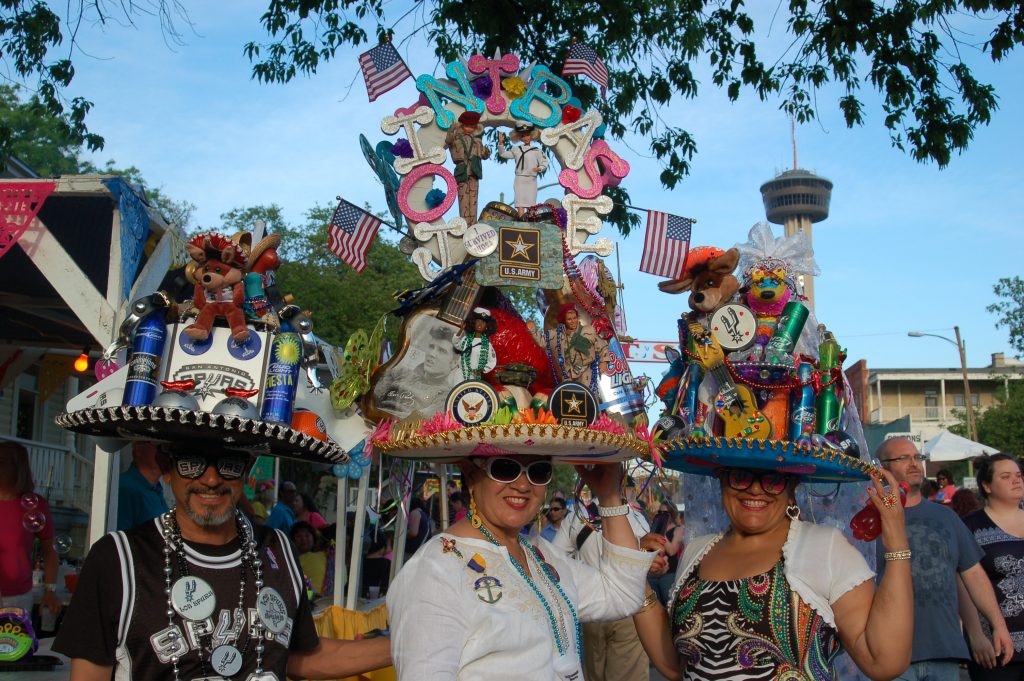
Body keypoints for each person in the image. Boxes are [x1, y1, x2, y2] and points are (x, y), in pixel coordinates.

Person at [53, 444, 390, 680]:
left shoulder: (277, 550)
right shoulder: (119, 559)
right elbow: (89, 676)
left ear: (247, 468)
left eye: (229, 463)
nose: (211, 479)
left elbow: (303, 656)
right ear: (166, 466)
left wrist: (409, 642)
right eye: (191, 462)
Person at [634, 465, 914, 681]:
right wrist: (637, 577)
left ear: (791, 485)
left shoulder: (824, 547)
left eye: (772, 478)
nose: (756, 489)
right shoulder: (696, 552)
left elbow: (884, 661)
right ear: (721, 479)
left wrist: (897, 544)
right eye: (741, 476)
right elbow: (674, 665)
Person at [387, 456, 656, 680]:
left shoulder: (540, 553)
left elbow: (622, 594)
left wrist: (608, 496)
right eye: (505, 468)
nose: (523, 485)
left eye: (538, 471)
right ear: (471, 474)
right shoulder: (435, 568)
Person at [877, 436, 1013, 680]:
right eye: (903, 458)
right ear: (882, 467)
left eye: (917, 457)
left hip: (944, 651)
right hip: (889, 655)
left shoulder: (947, 517)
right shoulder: (869, 519)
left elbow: (972, 574)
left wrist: (997, 625)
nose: (914, 463)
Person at [551, 487, 654, 681]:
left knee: (594, 672)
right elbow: (648, 555)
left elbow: (554, 559)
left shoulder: (576, 518)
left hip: (591, 610)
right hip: (629, 612)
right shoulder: (633, 516)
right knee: (628, 673)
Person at [960, 454, 1024, 680]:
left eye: (1018, 475)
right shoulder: (971, 527)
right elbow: (964, 584)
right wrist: (976, 634)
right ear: (987, 485)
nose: (1016, 481)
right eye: (1006, 477)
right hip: (997, 647)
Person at [0, 442, 61, 620]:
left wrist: (50, 590)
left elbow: (50, 551)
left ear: (17, 468)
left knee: (15, 647)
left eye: (2, 461)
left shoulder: (35, 505)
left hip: (17, 597)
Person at [374, 321, 461, 419]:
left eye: (441, 351)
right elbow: (372, 398)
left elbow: (414, 421)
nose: (432, 354)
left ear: (454, 362)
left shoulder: (446, 396)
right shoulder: (399, 373)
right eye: (431, 347)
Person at [444, 110, 490, 223]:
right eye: (467, 126)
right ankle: (464, 223)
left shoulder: (477, 141)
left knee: (473, 197)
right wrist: (452, 129)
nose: (469, 128)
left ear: (475, 128)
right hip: (462, 169)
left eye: (472, 126)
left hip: (474, 170)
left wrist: (486, 151)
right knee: (463, 197)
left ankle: (473, 223)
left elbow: (484, 155)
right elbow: (448, 141)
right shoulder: (456, 139)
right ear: (462, 126)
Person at [544, 303, 605, 386]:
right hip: (568, 374)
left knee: (588, 393)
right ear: (564, 321)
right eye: (569, 319)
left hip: (585, 370)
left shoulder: (588, 330)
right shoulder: (558, 335)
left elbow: (602, 346)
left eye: (574, 318)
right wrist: (532, 331)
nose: (573, 321)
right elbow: (542, 341)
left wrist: (603, 362)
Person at [117, 441, 170, 531]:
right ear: (138, 449)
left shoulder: (157, 488)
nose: (167, 453)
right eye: (160, 446)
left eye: (169, 448)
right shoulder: (125, 489)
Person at [497, 123, 548, 215]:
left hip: (531, 179)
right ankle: (521, 219)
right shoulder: (516, 149)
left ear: (532, 135)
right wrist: (501, 143)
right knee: (520, 201)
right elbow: (503, 154)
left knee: (530, 201)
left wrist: (539, 168)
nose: (525, 138)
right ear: (519, 138)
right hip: (520, 178)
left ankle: (529, 219)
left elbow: (544, 163)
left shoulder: (537, 150)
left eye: (527, 135)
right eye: (523, 136)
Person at [649, 502, 684, 606]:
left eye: (665, 512)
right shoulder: (656, 528)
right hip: (654, 573)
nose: (662, 514)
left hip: (669, 574)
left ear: (671, 513)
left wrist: (662, 532)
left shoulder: (678, 529)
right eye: (660, 512)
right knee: (656, 606)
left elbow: (672, 550)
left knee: (669, 604)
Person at [291, 521, 331, 598]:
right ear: (292, 541)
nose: (303, 539)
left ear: (313, 538)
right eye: (298, 536)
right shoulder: (291, 561)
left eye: (307, 535)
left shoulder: (324, 556)